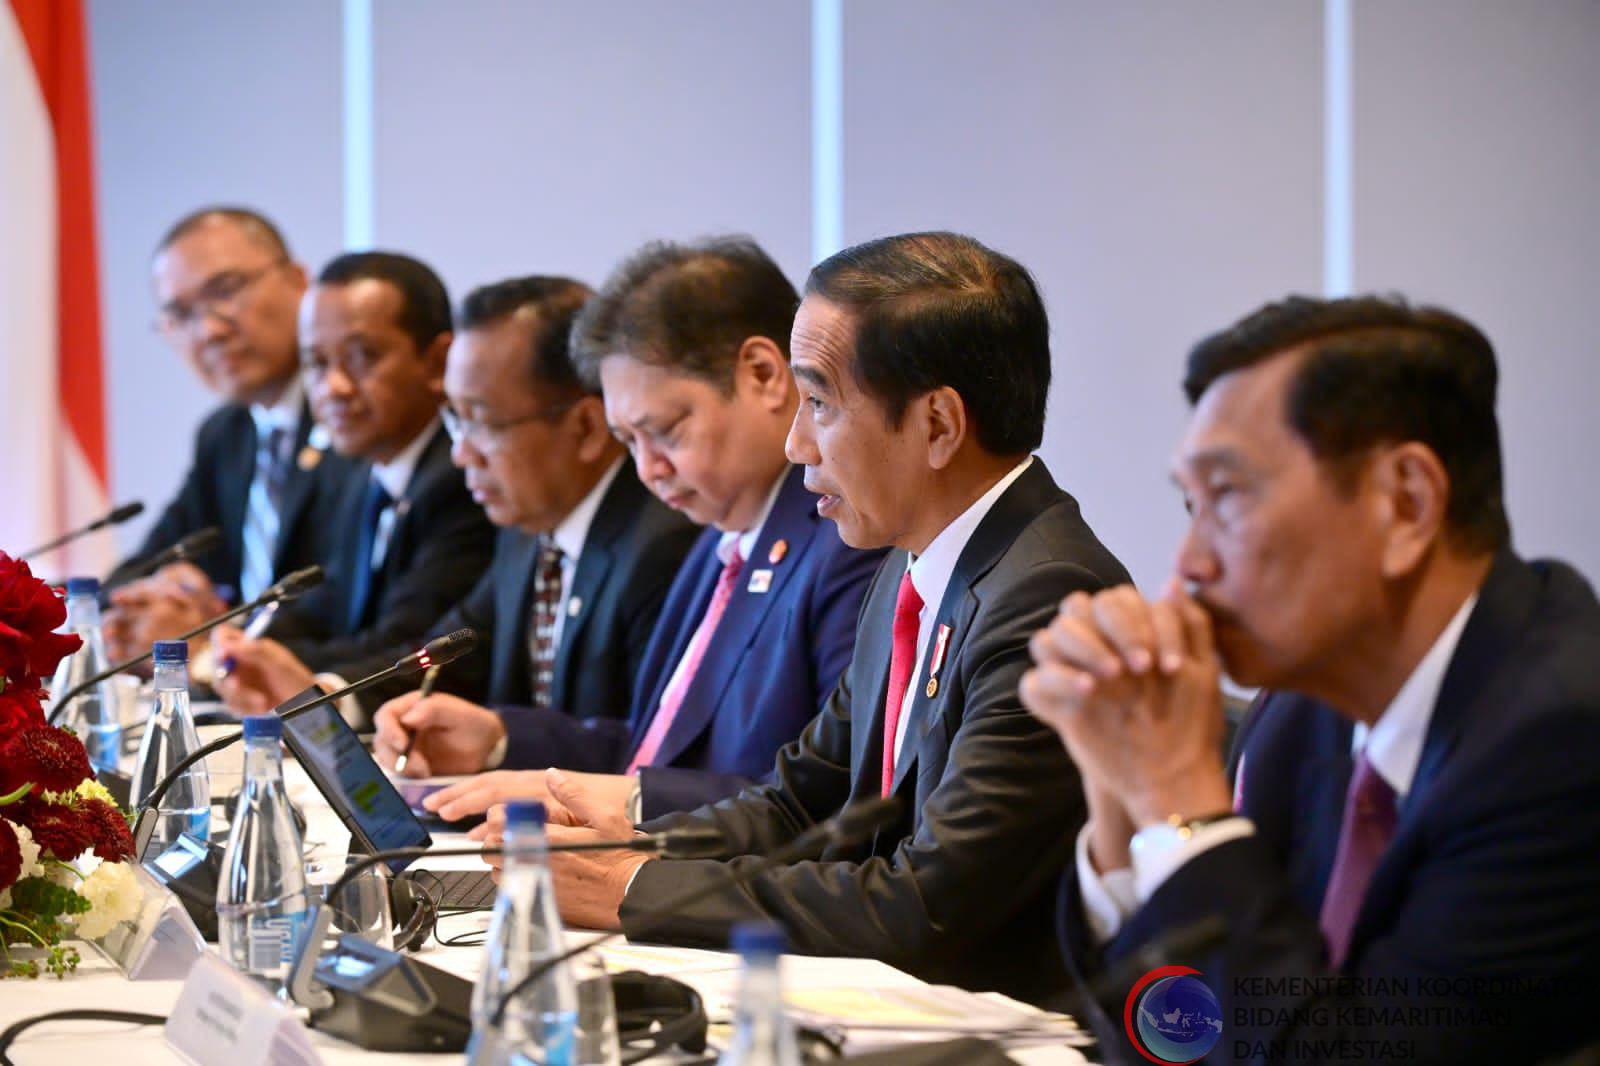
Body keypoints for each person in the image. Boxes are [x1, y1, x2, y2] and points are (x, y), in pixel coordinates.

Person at [530, 232, 1130, 1006]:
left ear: (939, 425)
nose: (795, 441)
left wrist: (638, 889)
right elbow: (795, 801)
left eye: (819, 402)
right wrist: (618, 851)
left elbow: (925, 905)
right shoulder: (911, 562)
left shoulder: (1046, 596)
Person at [1022, 296, 1600, 1064]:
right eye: (1189, 506)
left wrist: (1178, 798)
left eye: (1226, 498)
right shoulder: (1302, 707)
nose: (1186, 566)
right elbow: (1180, 1046)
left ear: (1406, 503)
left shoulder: (1560, 742)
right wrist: (1121, 799)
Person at [372, 236, 885, 824]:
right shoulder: (720, 540)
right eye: (629, 442)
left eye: (664, 430)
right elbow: (652, 750)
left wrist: (630, 801)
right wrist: (497, 741)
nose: (647, 469)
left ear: (765, 375)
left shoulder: (846, 542)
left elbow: (822, 800)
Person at [214, 275, 698, 730]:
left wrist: (501, 741)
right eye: (456, 421)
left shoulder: (661, 546)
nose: (462, 452)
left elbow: (642, 749)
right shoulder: (527, 534)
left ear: (587, 428)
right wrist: (329, 693)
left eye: (483, 423)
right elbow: (444, 656)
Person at [208, 252, 494, 716]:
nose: (333, 387)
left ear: (438, 361)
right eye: (317, 363)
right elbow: (329, 607)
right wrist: (237, 646)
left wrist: (291, 675)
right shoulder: (360, 472)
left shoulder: (464, 478)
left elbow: (406, 639)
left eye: (361, 358)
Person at [103, 207, 354, 663]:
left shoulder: (355, 417)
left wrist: (208, 639)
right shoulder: (226, 435)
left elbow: (340, 607)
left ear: (299, 281)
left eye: (226, 291)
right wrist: (162, 591)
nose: (210, 330)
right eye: (180, 314)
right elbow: (134, 573)